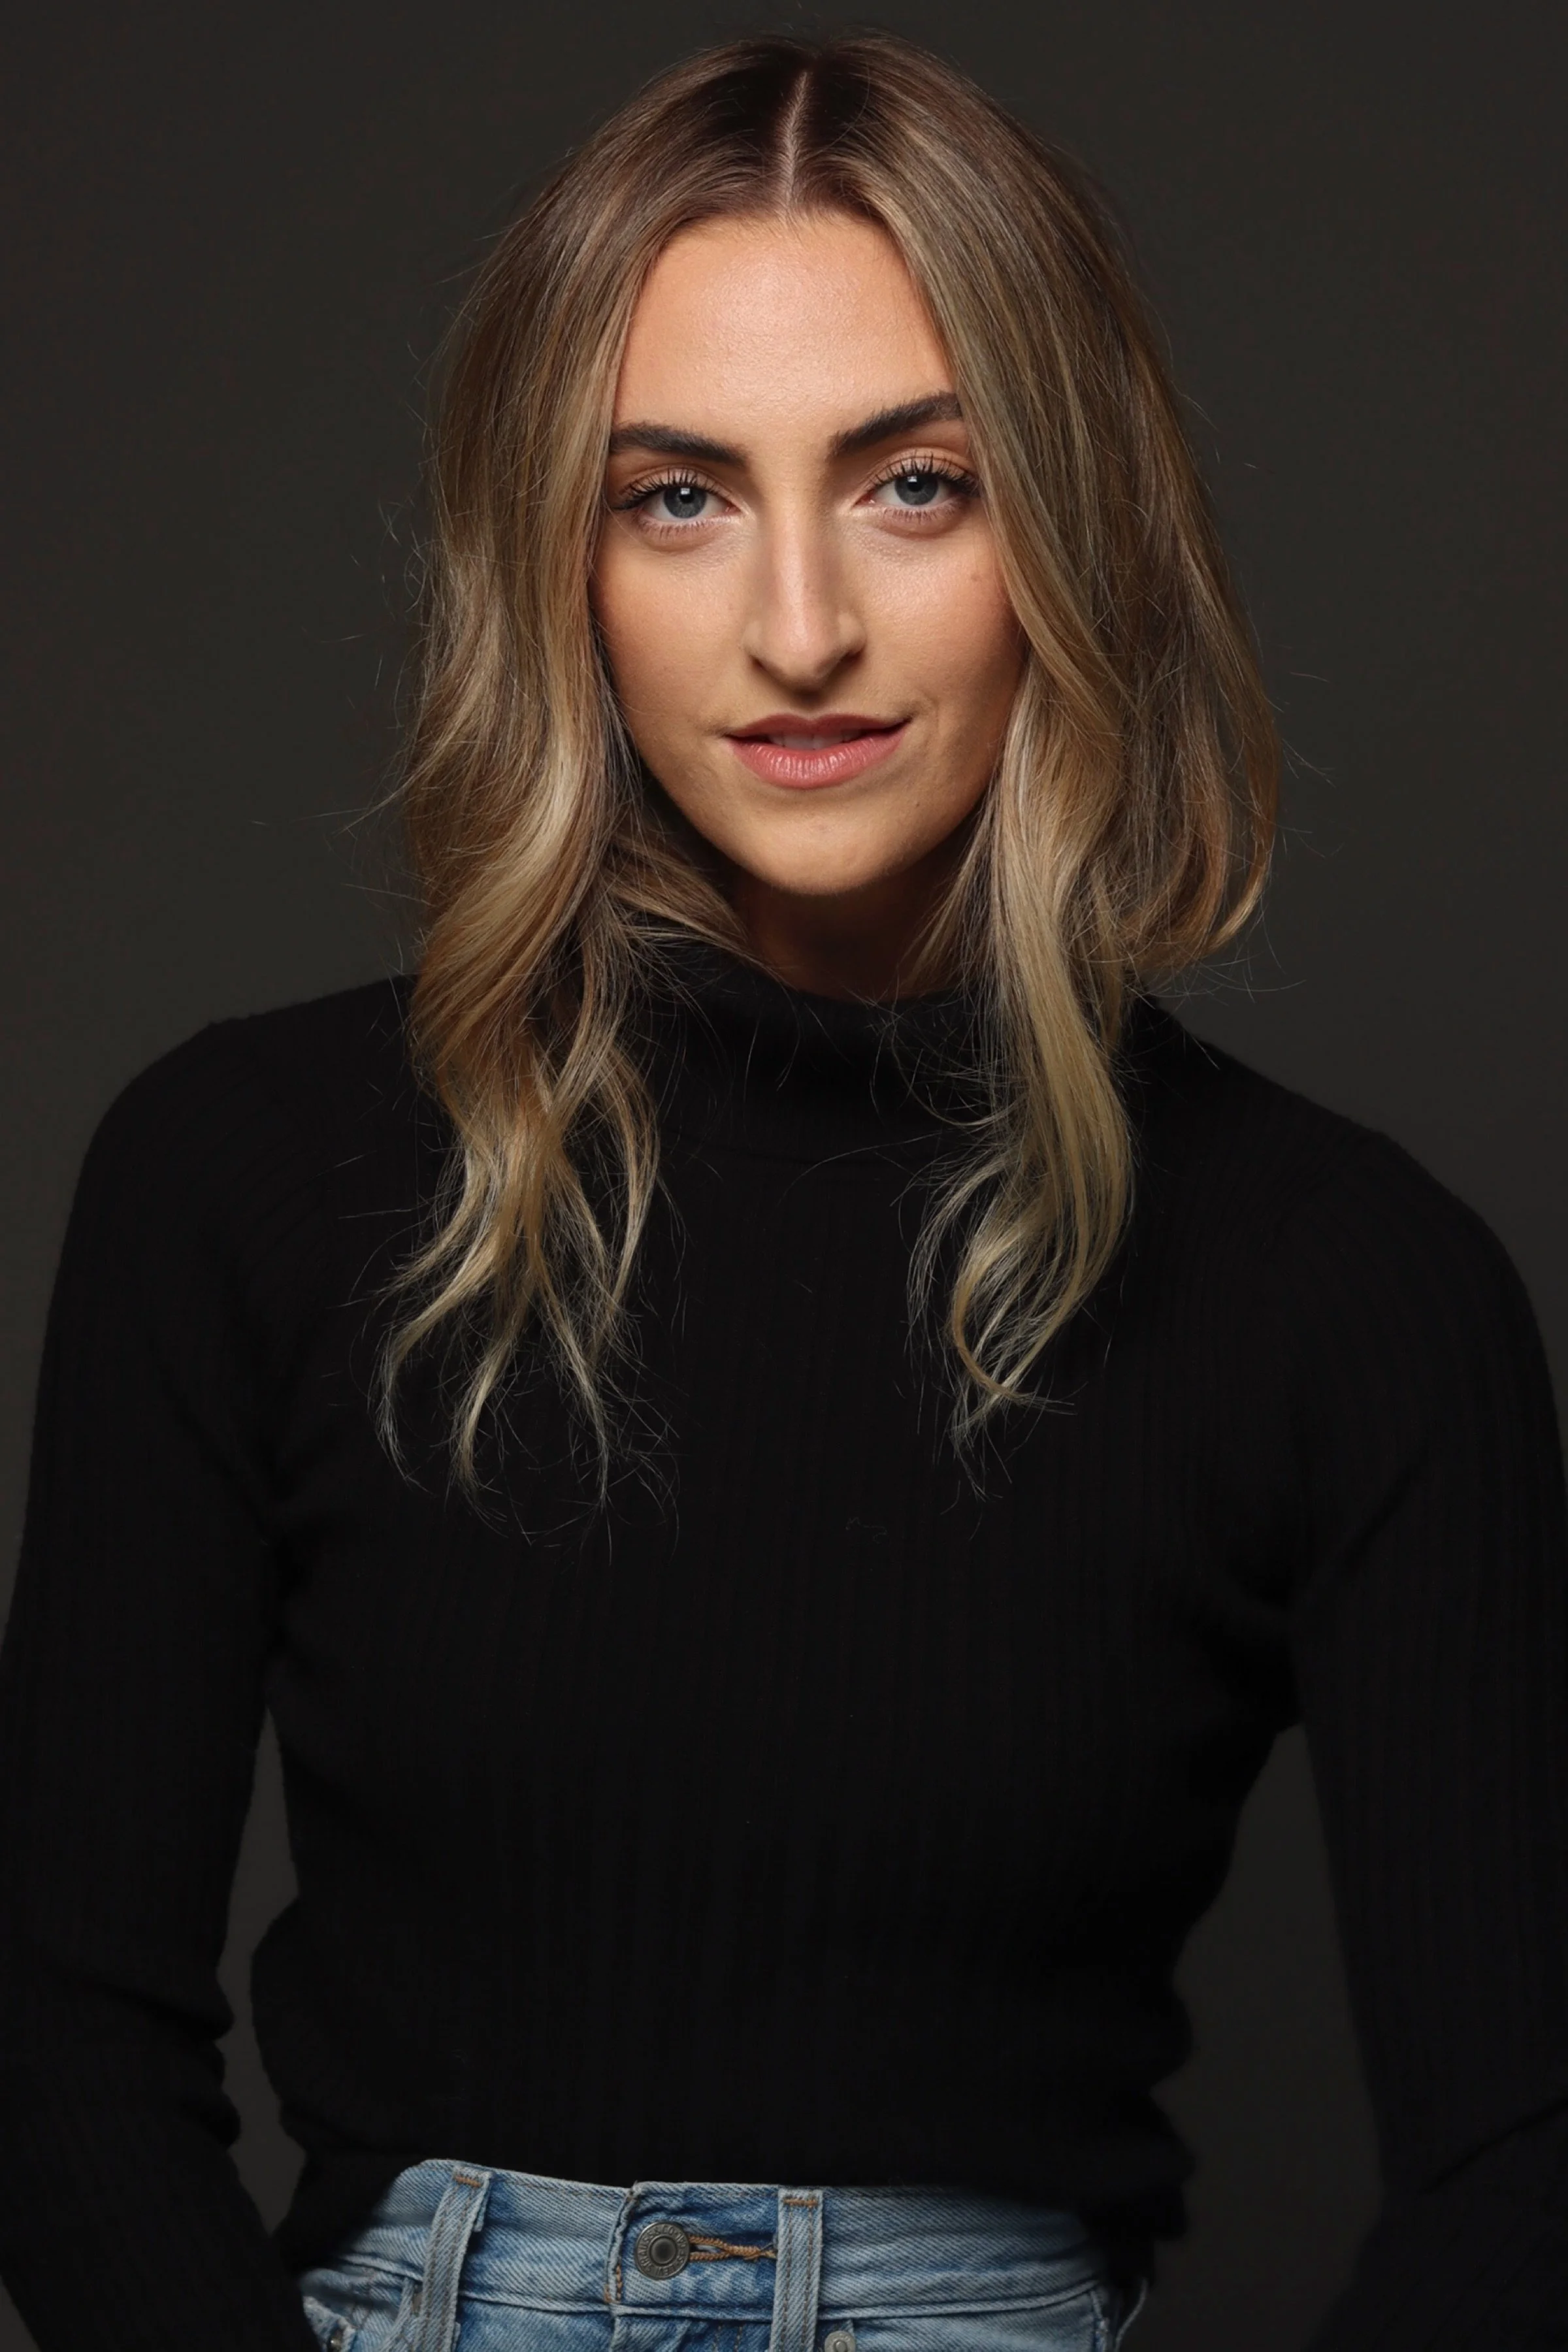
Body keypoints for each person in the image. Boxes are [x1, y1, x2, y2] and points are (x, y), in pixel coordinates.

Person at [1, 28, 1564, 2352]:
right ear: (561, 555)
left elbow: (1527, 2166)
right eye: (679, 497)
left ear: (1074, 524)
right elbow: (52, 2041)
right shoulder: (242, 1179)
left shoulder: (1350, 1292)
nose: (801, 624)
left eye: (918, 484)